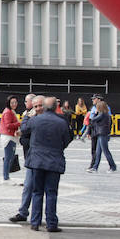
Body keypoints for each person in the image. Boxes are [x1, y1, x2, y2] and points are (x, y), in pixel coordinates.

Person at [21, 96, 72, 232]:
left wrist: (27, 115)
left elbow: (24, 129)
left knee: (37, 192)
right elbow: (67, 139)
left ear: (43, 106)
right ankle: (51, 223)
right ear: (56, 106)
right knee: (51, 193)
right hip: (54, 161)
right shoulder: (62, 122)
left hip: (37, 161)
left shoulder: (36, 120)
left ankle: (35, 222)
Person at [9, 95, 44, 222]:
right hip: (32, 156)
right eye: (36, 106)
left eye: (40, 105)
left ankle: (39, 218)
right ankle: (24, 212)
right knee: (29, 186)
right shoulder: (31, 116)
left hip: (41, 157)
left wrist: (26, 119)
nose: (38, 108)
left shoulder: (35, 118)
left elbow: (25, 128)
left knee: (42, 190)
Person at [87, 100, 117, 173]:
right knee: (98, 152)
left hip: (102, 134)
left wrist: (94, 114)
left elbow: (93, 120)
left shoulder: (102, 114)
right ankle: (95, 167)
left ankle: (113, 166)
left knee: (105, 151)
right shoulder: (106, 114)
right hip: (102, 134)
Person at [0, 96, 21, 183]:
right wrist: (19, 123)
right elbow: (8, 125)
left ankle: (6, 176)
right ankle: (6, 177)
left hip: (11, 136)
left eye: (15, 102)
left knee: (10, 157)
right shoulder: (8, 112)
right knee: (8, 157)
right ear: (8, 103)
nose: (14, 104)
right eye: (12, 102)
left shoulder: (10, 111)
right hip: (8, 137)